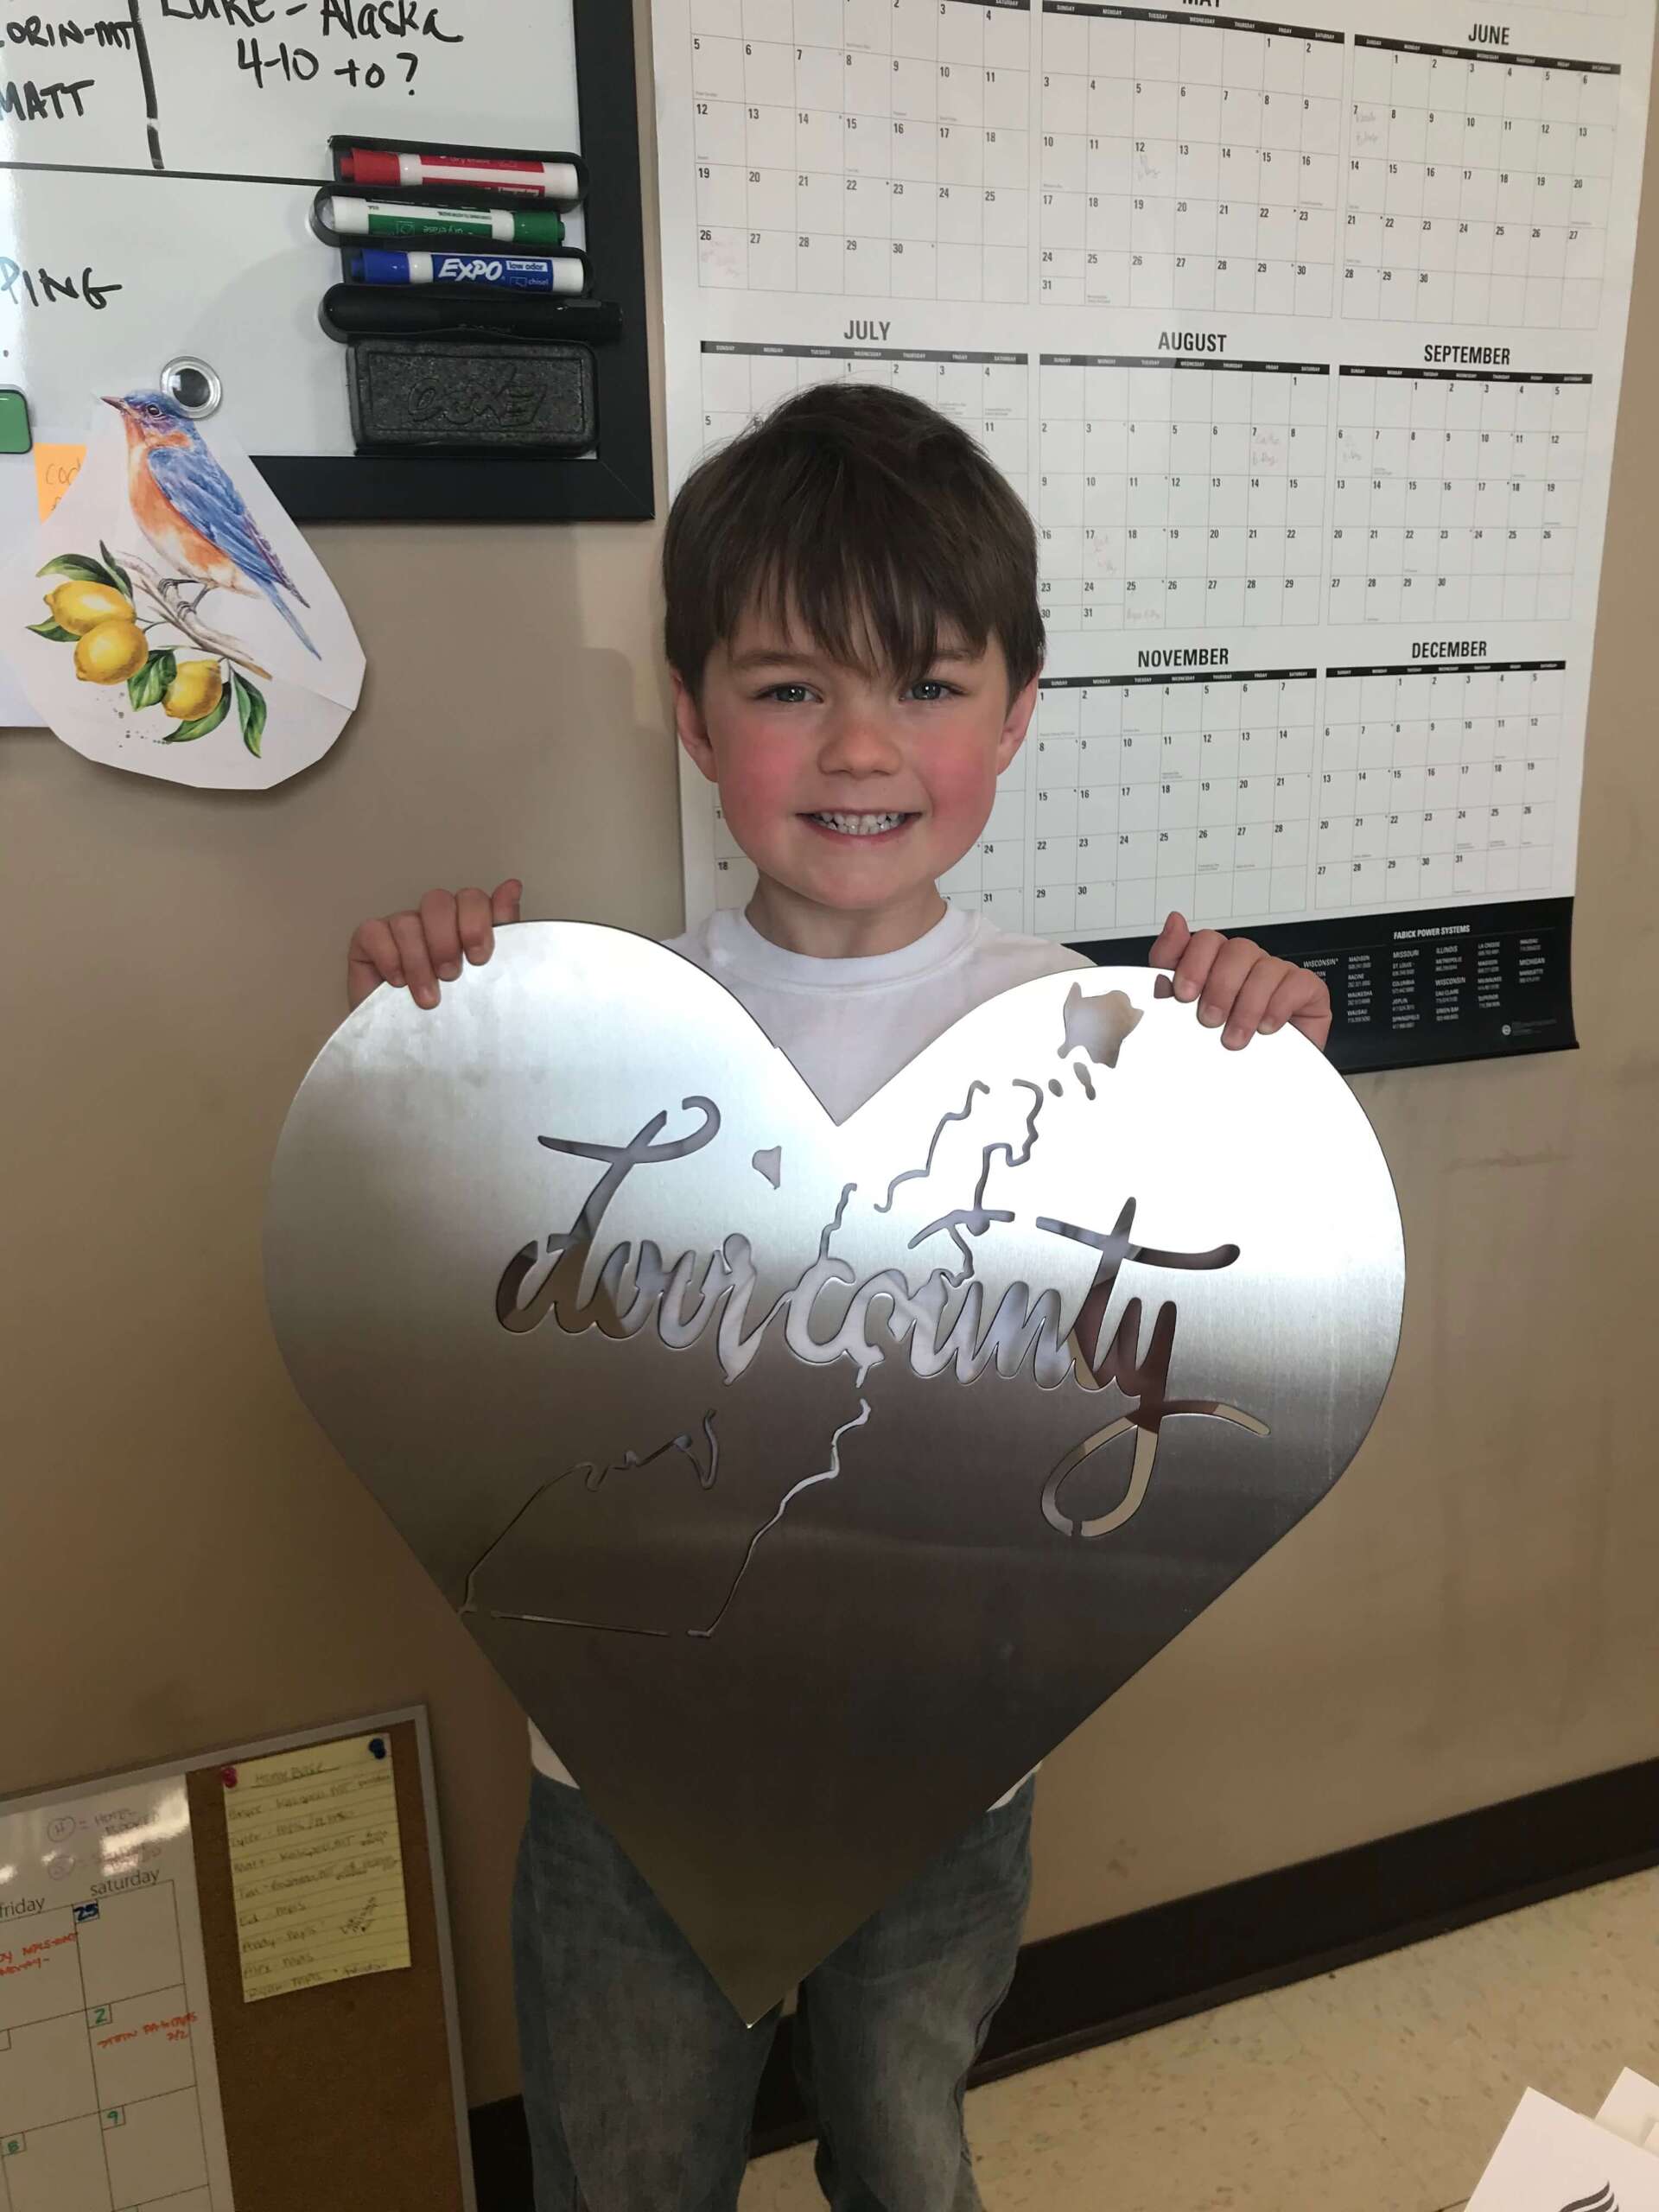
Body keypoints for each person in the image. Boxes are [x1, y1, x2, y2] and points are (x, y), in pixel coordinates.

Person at [344, 385, 1332, 2212]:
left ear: (1020, 711)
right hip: (621, 1766)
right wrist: (425, 1036)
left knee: (906, 2143)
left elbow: (1213, 1322)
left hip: (944, 1761)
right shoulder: (587, 1033)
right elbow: (429, 1292)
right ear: (693, 708)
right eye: (792, 684)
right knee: (627, 2167)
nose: (860, 743)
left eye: (930, 684)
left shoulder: (1099, 1035)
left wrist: (1258, 1069)